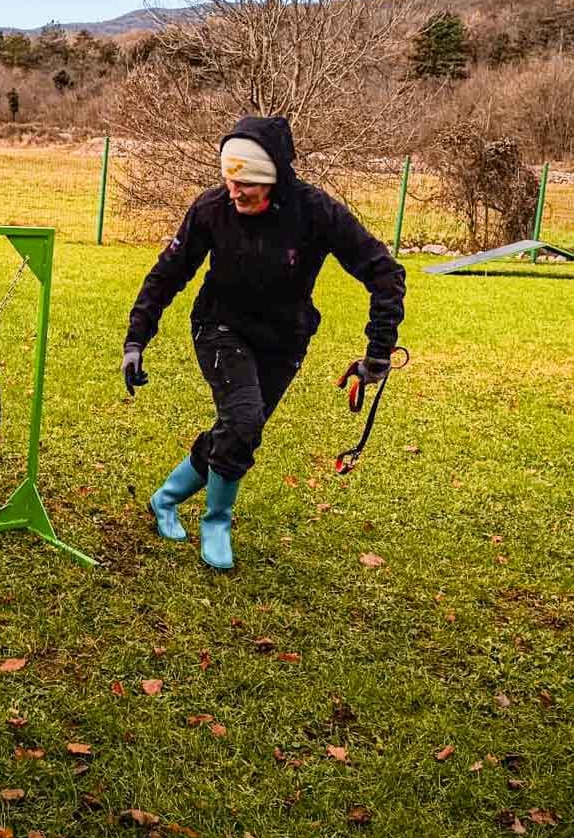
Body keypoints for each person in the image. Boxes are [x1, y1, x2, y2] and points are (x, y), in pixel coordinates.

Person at [121, 115, 406, 571]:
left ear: (274, 177)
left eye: (247, 184)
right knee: (244, 420)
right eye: (229, 181)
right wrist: (137, 339)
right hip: (219, 327)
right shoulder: (212, 208)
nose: (235, 193)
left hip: (284, 340)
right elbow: (167, 274)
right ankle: (216, 521)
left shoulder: (315, 211)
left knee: (237, 430)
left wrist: (378, 349)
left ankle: (165, 499)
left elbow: (385, 272)